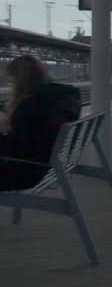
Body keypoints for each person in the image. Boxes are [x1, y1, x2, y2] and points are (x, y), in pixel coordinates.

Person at [0, 56, 82, 190]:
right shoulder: (59, 99)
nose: (10, 84)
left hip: (24, 174)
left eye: (11, 80)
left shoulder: (30, 105)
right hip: (46, 167)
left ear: (21, 80)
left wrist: (4, 132)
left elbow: (18, 148)